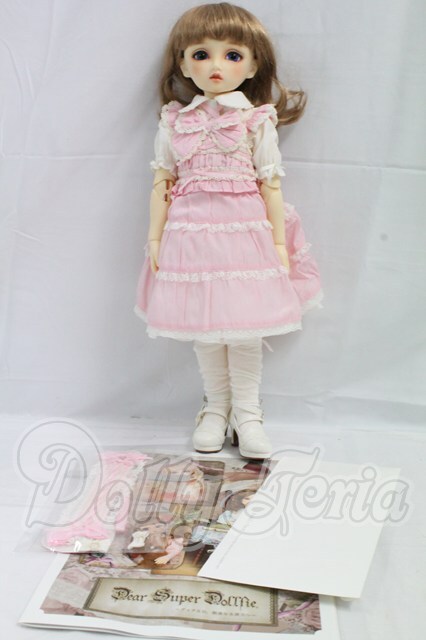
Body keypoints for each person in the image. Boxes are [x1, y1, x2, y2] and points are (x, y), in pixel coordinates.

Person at [134, 3, 323, 459]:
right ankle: (215, 408)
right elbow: (162, 182)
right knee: (205, 326)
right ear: (183, 64)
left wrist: (278, 243)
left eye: (233, 55)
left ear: (253, 65)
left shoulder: (255, 120)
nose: (215, 65)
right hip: (191, 235)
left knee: (244, 328)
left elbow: (270, 184)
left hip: (244, 233)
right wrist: (155, 237)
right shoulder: (175, 121)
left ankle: (248, 412)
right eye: (200, 54)